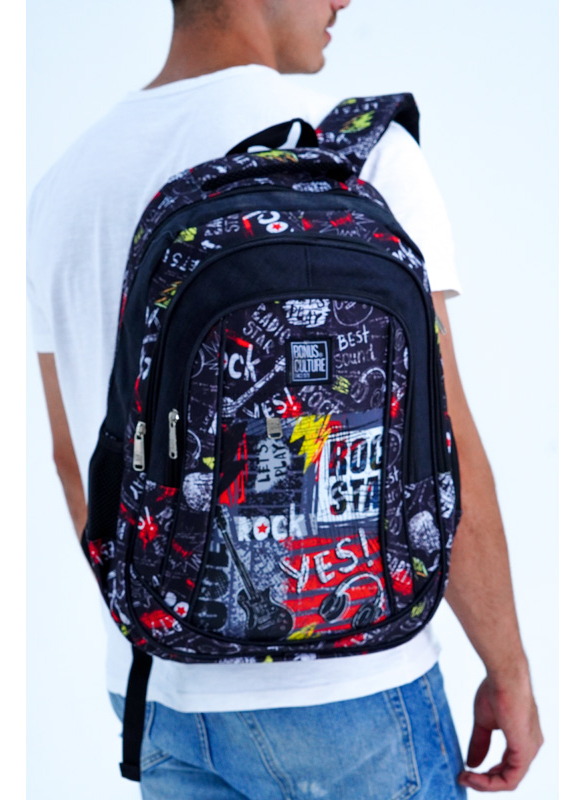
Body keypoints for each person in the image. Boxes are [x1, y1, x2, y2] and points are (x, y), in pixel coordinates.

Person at [27, 0, 543, 797]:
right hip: (354, 690)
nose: (345, 1)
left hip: (156, 692)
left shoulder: (65, 183)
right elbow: (446, 445)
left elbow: (77, 464)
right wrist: (507, 668)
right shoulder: (360, 158)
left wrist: (170, 622)